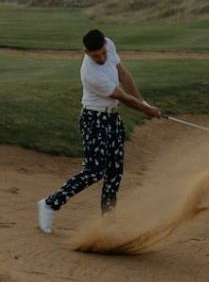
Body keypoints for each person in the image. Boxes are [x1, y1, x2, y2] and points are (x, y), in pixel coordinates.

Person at [38, 28, 163, 234]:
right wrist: (146, 110)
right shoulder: (90, 74)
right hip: (94, 119)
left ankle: (108, 224)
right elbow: (121, 96)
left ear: (105, 44)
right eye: (96, 55)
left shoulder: (109, 44)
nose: (102, 58)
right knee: (93, 172)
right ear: (86, 53)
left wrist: (144, 102)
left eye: (103, 52)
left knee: (115, 172)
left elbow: (122, 73)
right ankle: (50, 204)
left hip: (112, 117)